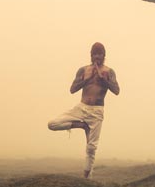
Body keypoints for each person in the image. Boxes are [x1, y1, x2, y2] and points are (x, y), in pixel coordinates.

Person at [47, 42, 120, 178]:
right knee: (52, 124)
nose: (97, 56)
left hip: (97, 111)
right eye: (95, 54)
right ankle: (82, 125)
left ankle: (86, 179)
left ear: (104, 55)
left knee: (91, 148)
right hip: (81, 108)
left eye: (100, 54)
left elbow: (116, 91)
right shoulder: (83, 70)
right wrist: (85, 80)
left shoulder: (109, 72)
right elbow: (72, 89)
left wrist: (105, 81)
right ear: (91, 55)